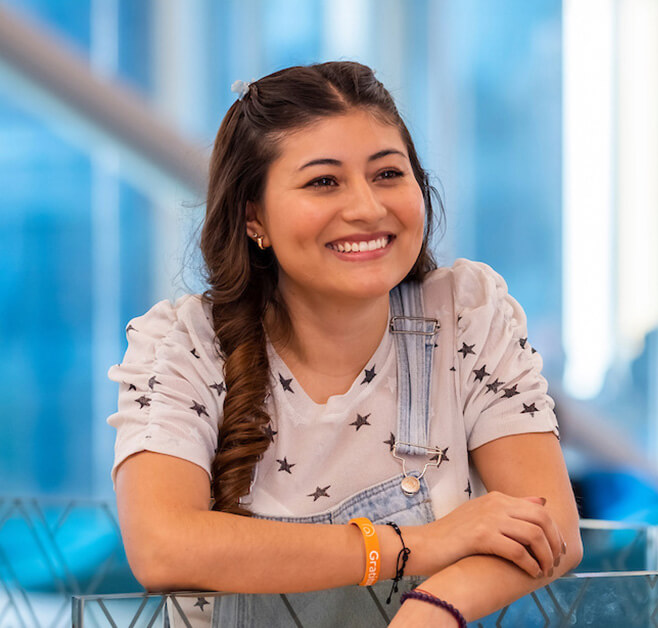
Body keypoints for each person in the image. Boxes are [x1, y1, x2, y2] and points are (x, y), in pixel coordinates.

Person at [107, 61, 581, 627]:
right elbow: (164, 546)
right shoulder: (181, 346)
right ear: (252, 216)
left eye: (387, 174)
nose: (367, 207)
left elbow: (552, 531)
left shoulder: (466, 314)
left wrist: (432, 610)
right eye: (323, 181)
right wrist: (415, 547)